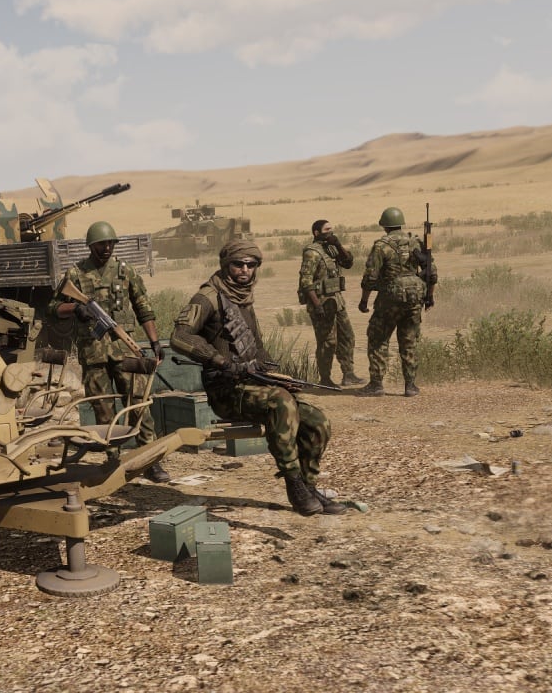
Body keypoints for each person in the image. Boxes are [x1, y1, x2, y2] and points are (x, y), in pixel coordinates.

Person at [169, 240, 345, 515]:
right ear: (226, 265)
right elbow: (180, 336)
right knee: (281, 402)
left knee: (317, 421)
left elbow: (258, 350)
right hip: (226, 391)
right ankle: (294, 484)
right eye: (238, 264)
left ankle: (308, 486)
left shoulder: (244, 298)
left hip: (253, 385)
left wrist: (277, 376)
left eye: (251, 265)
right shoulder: (208, 297)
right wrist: (219, 360)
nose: (245, 270)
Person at [50, 220, 168, 483]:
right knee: (103, 409)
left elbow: (143, 308)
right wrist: (75, 309)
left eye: (110, 244)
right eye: (101, 244)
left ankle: (150, 460)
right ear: (90, 246)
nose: (106, 248)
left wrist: (154, 341)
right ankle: (113, 461)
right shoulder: (75, 274)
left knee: (138, 404)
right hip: (93, 354)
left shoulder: (126, 271)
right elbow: (53, 308)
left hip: (125, 351)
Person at [356, 207, 438, 397]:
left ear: (384, 226)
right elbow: (432, 274)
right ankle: (410, 386)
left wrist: (364, 301)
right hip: (415, 298)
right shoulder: (415, 242)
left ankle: (376, 385)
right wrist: (429, 297)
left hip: (389, 299)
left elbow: (369, 278)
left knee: (378, 339)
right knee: (409, 340)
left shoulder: (381, 246)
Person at [298, 220, 364, 388]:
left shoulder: (332, 249)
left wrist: (338, 245)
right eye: (327, 229)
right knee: (327, 342)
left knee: (347, 336)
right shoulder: (312, 252)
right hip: (321, 302)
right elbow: (305, 281)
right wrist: (317, 305)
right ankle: (325, 379)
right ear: (316, 233)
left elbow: (348, 263)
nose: (331, 232)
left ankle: (348, 374)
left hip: (337, 301)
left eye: (331, 229)